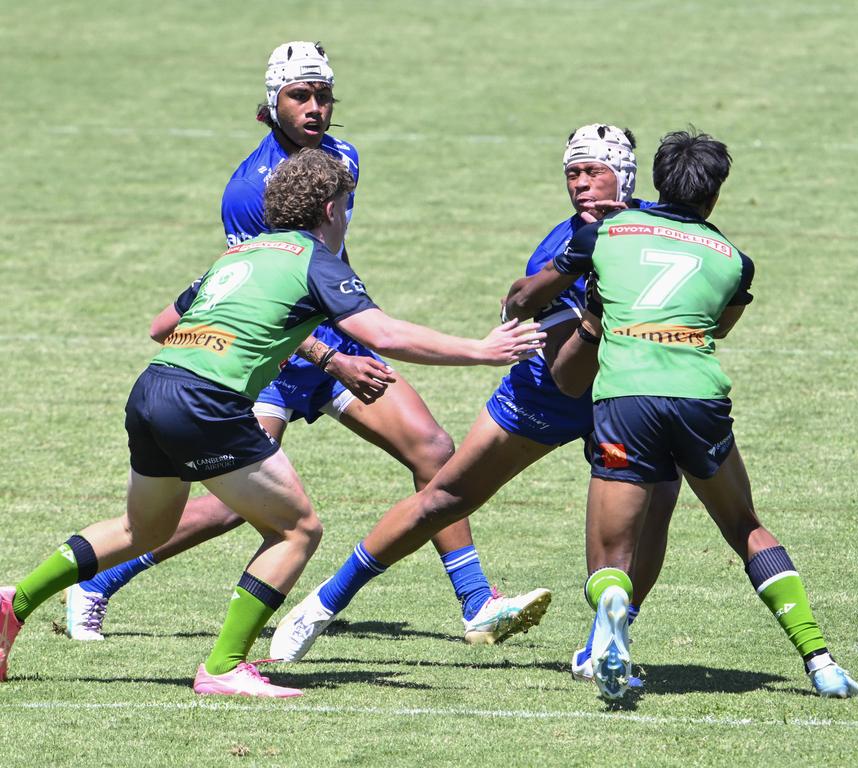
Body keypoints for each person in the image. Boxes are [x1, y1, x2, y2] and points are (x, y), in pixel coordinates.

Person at [0, 148, 545, 697]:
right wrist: (481, 350)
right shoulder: (315, 258)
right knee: (298, 530)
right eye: (347, 205)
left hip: (153, 389)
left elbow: (162, 324)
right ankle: (223, 667)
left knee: (142, 531)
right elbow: (383, 335)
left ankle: (14, 601)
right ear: (331, 208)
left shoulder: (240, 254)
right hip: (205, 401)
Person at [64, 41, 549, 647]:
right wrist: (333, 358)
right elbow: (263, 293)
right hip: (275, 358)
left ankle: (477, 603)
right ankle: (99, 583)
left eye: (324, 95)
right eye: (301, 96)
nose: (315, 107)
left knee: (432, 447)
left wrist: (345, 332)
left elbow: (326, 262)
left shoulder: (342, 157)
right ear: (272, 104)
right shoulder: (250, 191)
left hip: (335, 339)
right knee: (226, 507)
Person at [269, 124, 681, 675]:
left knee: (655, 505)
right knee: (445, 497)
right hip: (549, 390)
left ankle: (608, 638)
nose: (580, 184)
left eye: (593, 172)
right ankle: (324, 605)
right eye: (572, 174)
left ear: (624, 176)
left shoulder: (654, 229)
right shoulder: (558, 249)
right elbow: (560, 367)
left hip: (623, 394)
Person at [502, 129, 858, 702]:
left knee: (611, 556)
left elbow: (525, 303)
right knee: (745, 525)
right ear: (714, 196)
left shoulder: (604, 234)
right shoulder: (735, 262)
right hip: (699, 399)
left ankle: (608, 625)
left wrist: (575, 306)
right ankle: (819, 661)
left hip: (624, 402)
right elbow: (716, 327)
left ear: (653, 183)